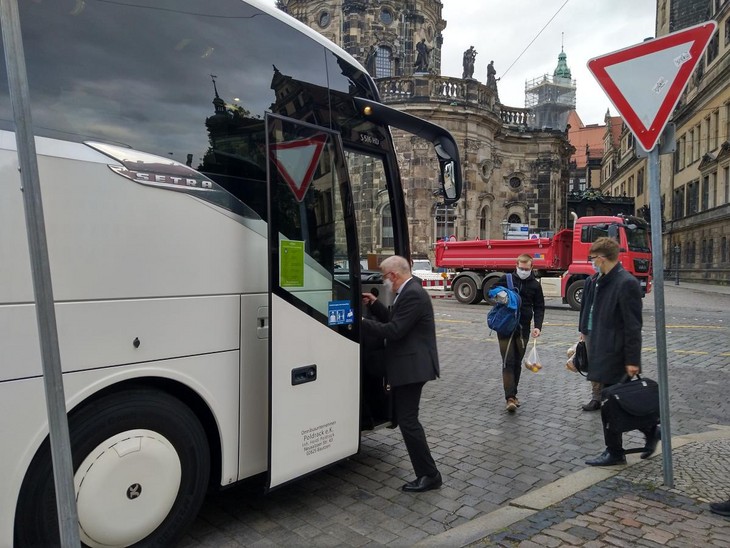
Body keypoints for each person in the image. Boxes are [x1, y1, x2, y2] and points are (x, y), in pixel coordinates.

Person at [361, 256, 442, 492]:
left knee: (408, 421)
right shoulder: (409, 291)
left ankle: (429, 474)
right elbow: (398, 321)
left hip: (412, 368)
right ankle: (428, 473)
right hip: (410, 366)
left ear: (393, 276)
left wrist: (360, 321)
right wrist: (375, 304)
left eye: (384, 277)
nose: (384, 282)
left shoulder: (413, 293)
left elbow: (395, 331)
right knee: (407, 419)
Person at [584, 237, 660, 466]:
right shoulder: (602, 280)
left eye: (593, 259)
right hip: (604, 351)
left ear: (601, 258)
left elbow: (633, 325)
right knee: (617, 402)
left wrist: (632, 360)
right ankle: (649, 432)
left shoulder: (625, 282)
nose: (592, 263)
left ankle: (615, 451)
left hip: (617, 355)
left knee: (611, 404)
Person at [494, 254, 545, 412]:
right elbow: (491, 292)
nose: (523, 270)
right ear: (516, 266)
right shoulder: (506, 279)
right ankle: (509, 397)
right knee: (508, 361)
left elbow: (539, 306)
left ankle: (513, 394)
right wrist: (501, 297)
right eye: (521, 268)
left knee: (517, 362)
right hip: (505, 327)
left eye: (526, 268)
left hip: (523, 328)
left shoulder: (535, 285)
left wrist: (538, 326)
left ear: (531, 267)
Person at [578, 271, 602, 411]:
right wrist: (582, 329)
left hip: (607, 330)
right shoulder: (590, 280)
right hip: (590, 328)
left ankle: (609, 396)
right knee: (593, 364)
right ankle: (596, 398)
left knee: (606, 363)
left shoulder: (616, 280)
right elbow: (585, 305)